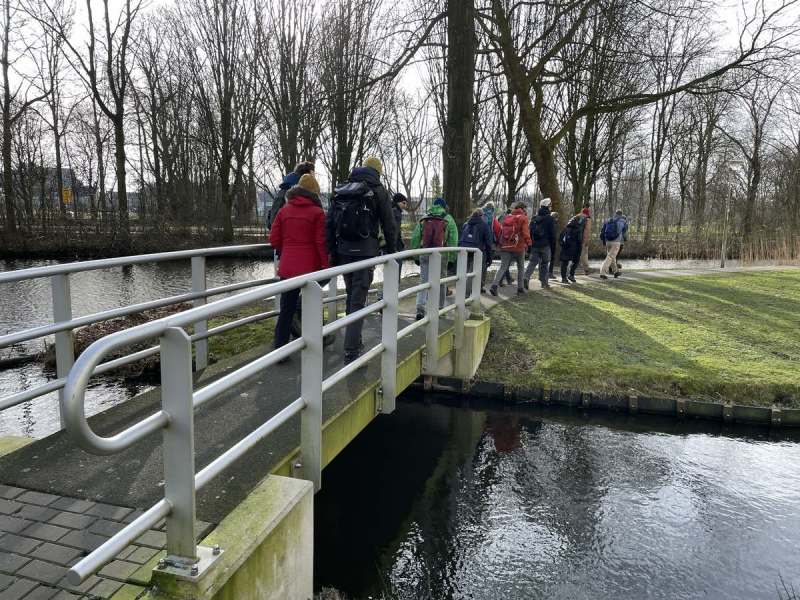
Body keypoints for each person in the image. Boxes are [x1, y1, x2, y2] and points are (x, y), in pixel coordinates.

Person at [327, 157, 396, 363]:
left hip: (344, 250)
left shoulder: (343, 189)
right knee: (357, 299)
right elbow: (389, 224)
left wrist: (333, 252)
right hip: (365, 251)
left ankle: (354, 342)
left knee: (352, 295)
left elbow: (329, 223)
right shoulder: (378, 190)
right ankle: (352, 350)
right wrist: (391, 251)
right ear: (378, 172)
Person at [269, 173, 328, 353]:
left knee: (286, 309)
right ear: (314, 193)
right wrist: (325, 265)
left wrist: (287, 250)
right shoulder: (317, 213)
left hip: (287, 267)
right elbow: (320, 242)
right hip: (310, 268)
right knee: (311, 306)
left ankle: (280, 348)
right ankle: (315, 341)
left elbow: (274, 240)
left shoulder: (284, 210)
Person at [411, 197, 458, 320]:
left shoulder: (424, 218)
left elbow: (415, 237)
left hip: (425, 253)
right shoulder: (448, 219)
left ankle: (420, 308)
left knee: (423, 281)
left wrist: (416, 256)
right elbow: (453, 240)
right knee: (441, 282)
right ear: (444, 207)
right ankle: (440, 309)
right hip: (442, 255)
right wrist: (452, 258)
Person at [489, 202, 531, 296]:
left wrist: (500, 244)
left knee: (503, 267)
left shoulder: (507, 217)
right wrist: (529, 243)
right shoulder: (523, 218)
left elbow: (501, 231)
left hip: (505, 246)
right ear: (522, 209)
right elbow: (525, 233)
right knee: (520, 268)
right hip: (518, 247)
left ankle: (494, 286)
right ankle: (520, 288)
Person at [267, 161, 315, 231]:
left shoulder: (286, 190)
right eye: (312, 175)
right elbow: (274, 222)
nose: (314, 179)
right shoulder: (289, 193)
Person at [523, 198, 555, 289]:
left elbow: (529, 232)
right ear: (547, 206)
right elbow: (552, 234)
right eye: (550, 205)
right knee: (545, 264)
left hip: (535, 245)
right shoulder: (550, 218)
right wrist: (553, 246)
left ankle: (526, 277)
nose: (551, 207)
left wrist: (530, 245)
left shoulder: (534, 218)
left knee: (532, 263)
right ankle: (544, 283)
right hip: (545, 245)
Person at [460, 208, 493, 294]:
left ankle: (463, 292)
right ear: (481, 216)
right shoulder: (484, 225)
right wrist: (489, 257)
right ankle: (467, 294)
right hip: (478, 252)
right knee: (476, 272)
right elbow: (488, 243)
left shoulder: (466, 224)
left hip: (465, 251)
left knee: (466, 272)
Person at [600, 210, 628, 279]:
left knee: (612, 257)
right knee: (610, 257)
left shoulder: (608, 220)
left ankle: (616, 271)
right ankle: (603, 272)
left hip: (607, 241)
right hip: (616, 242)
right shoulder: (622, 221)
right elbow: (624, 231)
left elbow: (602, 231)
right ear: (621, 214)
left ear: (615, 214)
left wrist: (603, 240)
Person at [559, 215, 584, 284]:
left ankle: (563, 278)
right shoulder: (578, 229)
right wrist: (580, 249)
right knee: (575, 262)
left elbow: (560, 238)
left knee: (564, 263)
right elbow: (579, 241)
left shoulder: (566, 228)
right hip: (574, 249)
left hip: (565, 247)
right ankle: (571, 275)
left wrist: (562, 245)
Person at [579, 205, 593, 275]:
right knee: (584, 254)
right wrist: (586, 240)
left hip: (578, 239)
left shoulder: (579, 219)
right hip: (584, 239)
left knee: (581, 254)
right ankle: (586, 269)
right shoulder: (588, 220)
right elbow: (587, 231)